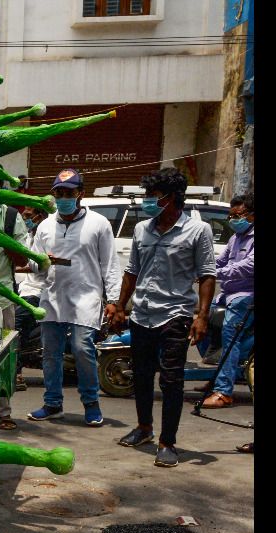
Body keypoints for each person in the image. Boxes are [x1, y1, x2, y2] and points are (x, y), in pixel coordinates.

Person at [110, 167, 216, 467]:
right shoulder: (143, 229)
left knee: (171, 380)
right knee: (142, 376)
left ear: (171, 198)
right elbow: (131, 271)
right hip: (142, 313)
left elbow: (207, 275)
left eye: (153, 196)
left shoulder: (198, 230)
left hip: (176, 314)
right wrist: (120, 306)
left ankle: (167, 442)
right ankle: (144, 428)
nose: (148, 201)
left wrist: (202, 315)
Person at [25, 169, 120, 427]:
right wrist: (41, 263)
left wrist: (113, 299)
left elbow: (110, 264)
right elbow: (34, 263)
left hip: (86, 297)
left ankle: (91, 403)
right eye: (59, 193)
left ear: (81, 194)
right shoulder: (45, 226)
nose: (63, 197)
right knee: (50, 354)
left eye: (69, 193)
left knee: (82, 349)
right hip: (53, 297)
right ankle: (52, 403)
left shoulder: (99, 224)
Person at [200, 193, 254, 409]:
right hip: (227, 295)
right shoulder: (235, 238)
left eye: (237, 215)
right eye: (231, 216)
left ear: (251, 215)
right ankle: (215, 380)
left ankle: (224, 391)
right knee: (204, 323)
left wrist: (217, 273)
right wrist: (204, 268)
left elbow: (248, 266)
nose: (233, 220)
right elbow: (219, 261)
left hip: (247, 297)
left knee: (230, 334)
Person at [0, 188, 29, 430]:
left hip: (2, 301)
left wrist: (3, 239)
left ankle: (3, 411)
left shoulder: (10, 217)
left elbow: (22, 260)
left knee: (2, 358)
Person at [12, 205, 49, 392]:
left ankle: (16, 373)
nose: (24, 217)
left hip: (36, 291)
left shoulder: (46, 236)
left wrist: (17, 268)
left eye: (28, 215)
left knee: (15, 328)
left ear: (38, 216)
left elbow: (41, 264)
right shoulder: (28, 235)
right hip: (23, 289)